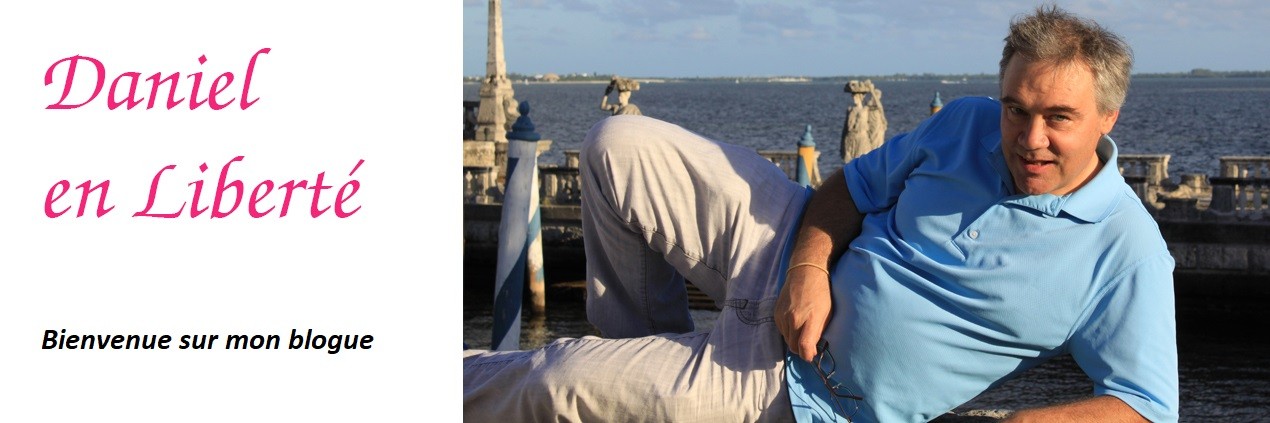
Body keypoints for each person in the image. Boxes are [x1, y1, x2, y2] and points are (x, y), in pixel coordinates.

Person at [463, 5, 1178, 422]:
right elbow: (852, 188)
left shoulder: (1126, 249)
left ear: (1108, 117)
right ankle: (644, 358)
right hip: (783, 245)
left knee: (555, 382)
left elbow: (1146, 403)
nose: (1028, 137)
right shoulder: (966, 122)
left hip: (805, 382)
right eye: (1016, 109)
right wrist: (808, 266)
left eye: (1058, 118)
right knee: (616, 145)